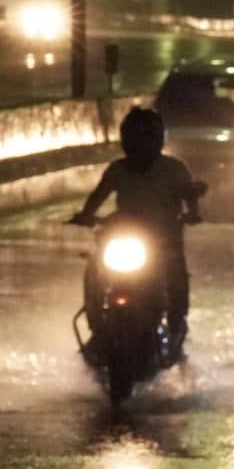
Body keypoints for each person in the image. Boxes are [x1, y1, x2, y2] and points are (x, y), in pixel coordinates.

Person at [71, 106, 203, 345]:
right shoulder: (117, 170)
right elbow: (98, 195)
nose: (141, 146)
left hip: (164, 239)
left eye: (147, 138)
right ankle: (96, 323)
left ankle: (176, 325)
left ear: (157, 140)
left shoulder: (174, 169)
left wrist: (191, 214)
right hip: (126, 236)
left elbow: (188, 196)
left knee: (175, 275)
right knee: (95, 268)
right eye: (136, 139)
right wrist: (85, 214)